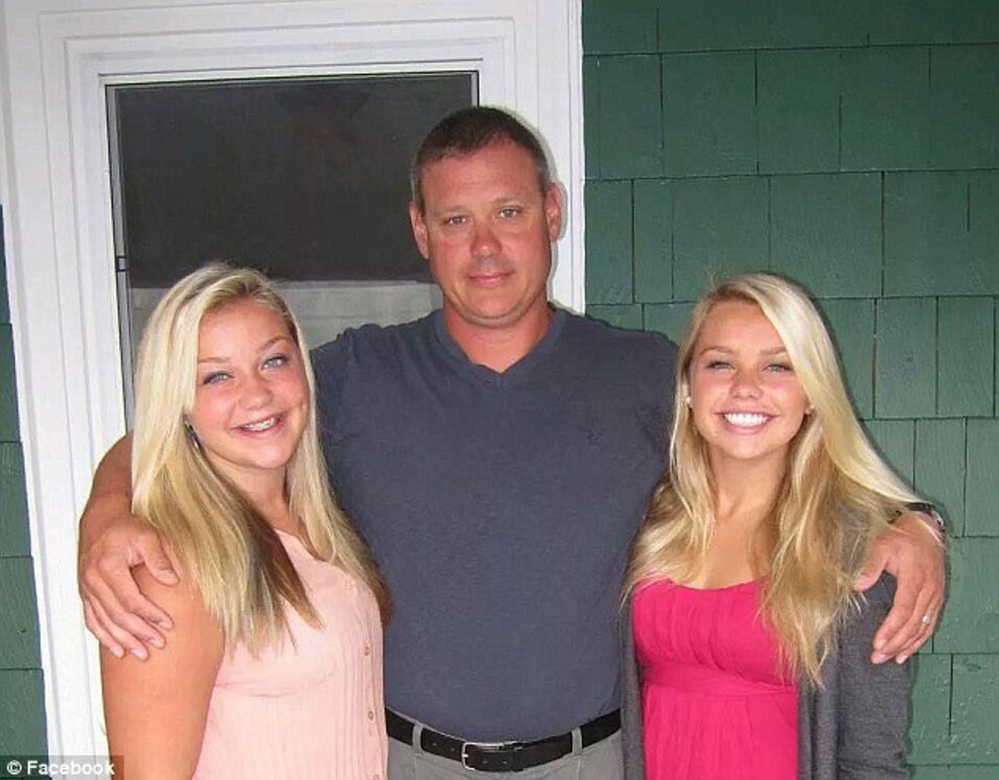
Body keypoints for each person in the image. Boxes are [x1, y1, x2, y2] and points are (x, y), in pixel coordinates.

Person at [79, 107, 945, 780]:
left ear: (552, 212)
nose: (484, 246)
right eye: (454, 221)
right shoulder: (352, 376)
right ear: (420, 230)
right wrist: (109, 514)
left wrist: (915, 526)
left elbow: (787, 438)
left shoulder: (647, 375)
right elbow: (181, 424)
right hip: (407, 762)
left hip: (593, 762)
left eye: (507, 211)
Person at [622, 273, 932, 779]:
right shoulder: (647, 518)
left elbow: (872, 760)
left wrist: (922, 525)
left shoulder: (858, 552)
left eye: (778, 366)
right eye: (721, 363)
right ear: (688, 389)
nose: (746, 388)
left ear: (812, 393)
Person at [99, 265, 389, 778]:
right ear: (179, 405)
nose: (257, 394)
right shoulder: (168, 576)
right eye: (217, 376)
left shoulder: (317, 529)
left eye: (273, 360)